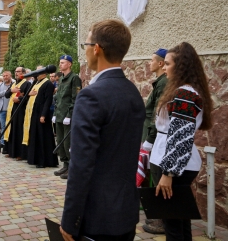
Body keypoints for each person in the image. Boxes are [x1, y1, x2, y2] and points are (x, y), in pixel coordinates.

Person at [60, 19, 146, 241]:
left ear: (96, 49)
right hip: (125, 213)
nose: (85, 51)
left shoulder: (91, 96)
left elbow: (81, 165)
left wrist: (70, 220)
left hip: (97, 219)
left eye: (86, 45)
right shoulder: (133, 93)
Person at [149, 43, 212, 240]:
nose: (164, 67)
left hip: (173, 165)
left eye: (167, 64)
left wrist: (169, 173)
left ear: (181, 66)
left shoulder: (185, 93)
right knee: (180, 222)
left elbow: (181, 136)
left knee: (173, 227)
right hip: (174, 161)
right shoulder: (187, 91)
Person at [140, 48, 168, 235]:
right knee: (153, 173)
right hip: (153, 135)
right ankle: (158, 215)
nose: (149, 63)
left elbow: (157, 114)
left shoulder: (164, 83)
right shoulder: (159, 82)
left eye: (152, 60)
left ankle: (162, 219)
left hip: (157, 137)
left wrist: (150, 138)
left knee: (158, 175)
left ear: (160, 64)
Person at [53, 55, 82, 179]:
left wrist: (70, 115)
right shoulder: (60, 79)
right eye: (60, 62)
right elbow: (58, 98)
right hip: (59, 114)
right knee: (60, 141)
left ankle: (72, 167)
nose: (60, 65)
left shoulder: (74, 78)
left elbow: (76, 98)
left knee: (68, 143)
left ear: (69, 64)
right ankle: (65, 164)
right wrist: (55, 113)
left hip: (68, 116)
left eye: (63, 63)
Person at [24, 66, 58, 168]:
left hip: (42, 114)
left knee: (43, 137)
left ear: (44, 73)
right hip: (34, 113)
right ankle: (35, 159)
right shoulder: (36, 82)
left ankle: (44, 161)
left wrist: (43, 114)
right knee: (35, 136)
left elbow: (48, 100)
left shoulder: (47, 84)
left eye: (39, 72)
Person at [3, 67, 31, 160]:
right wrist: (11, 90)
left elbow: (28, 97)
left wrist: (18, 99)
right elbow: (6, 95)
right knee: (12, 130)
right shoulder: (14, 83)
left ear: (23, 73)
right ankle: (12, 152)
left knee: (19, 131)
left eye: (18, 72)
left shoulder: (26, 84)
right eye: (15, 72)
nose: (16, 73)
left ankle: (20, 153)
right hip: (11, 110)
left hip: (21, 111)